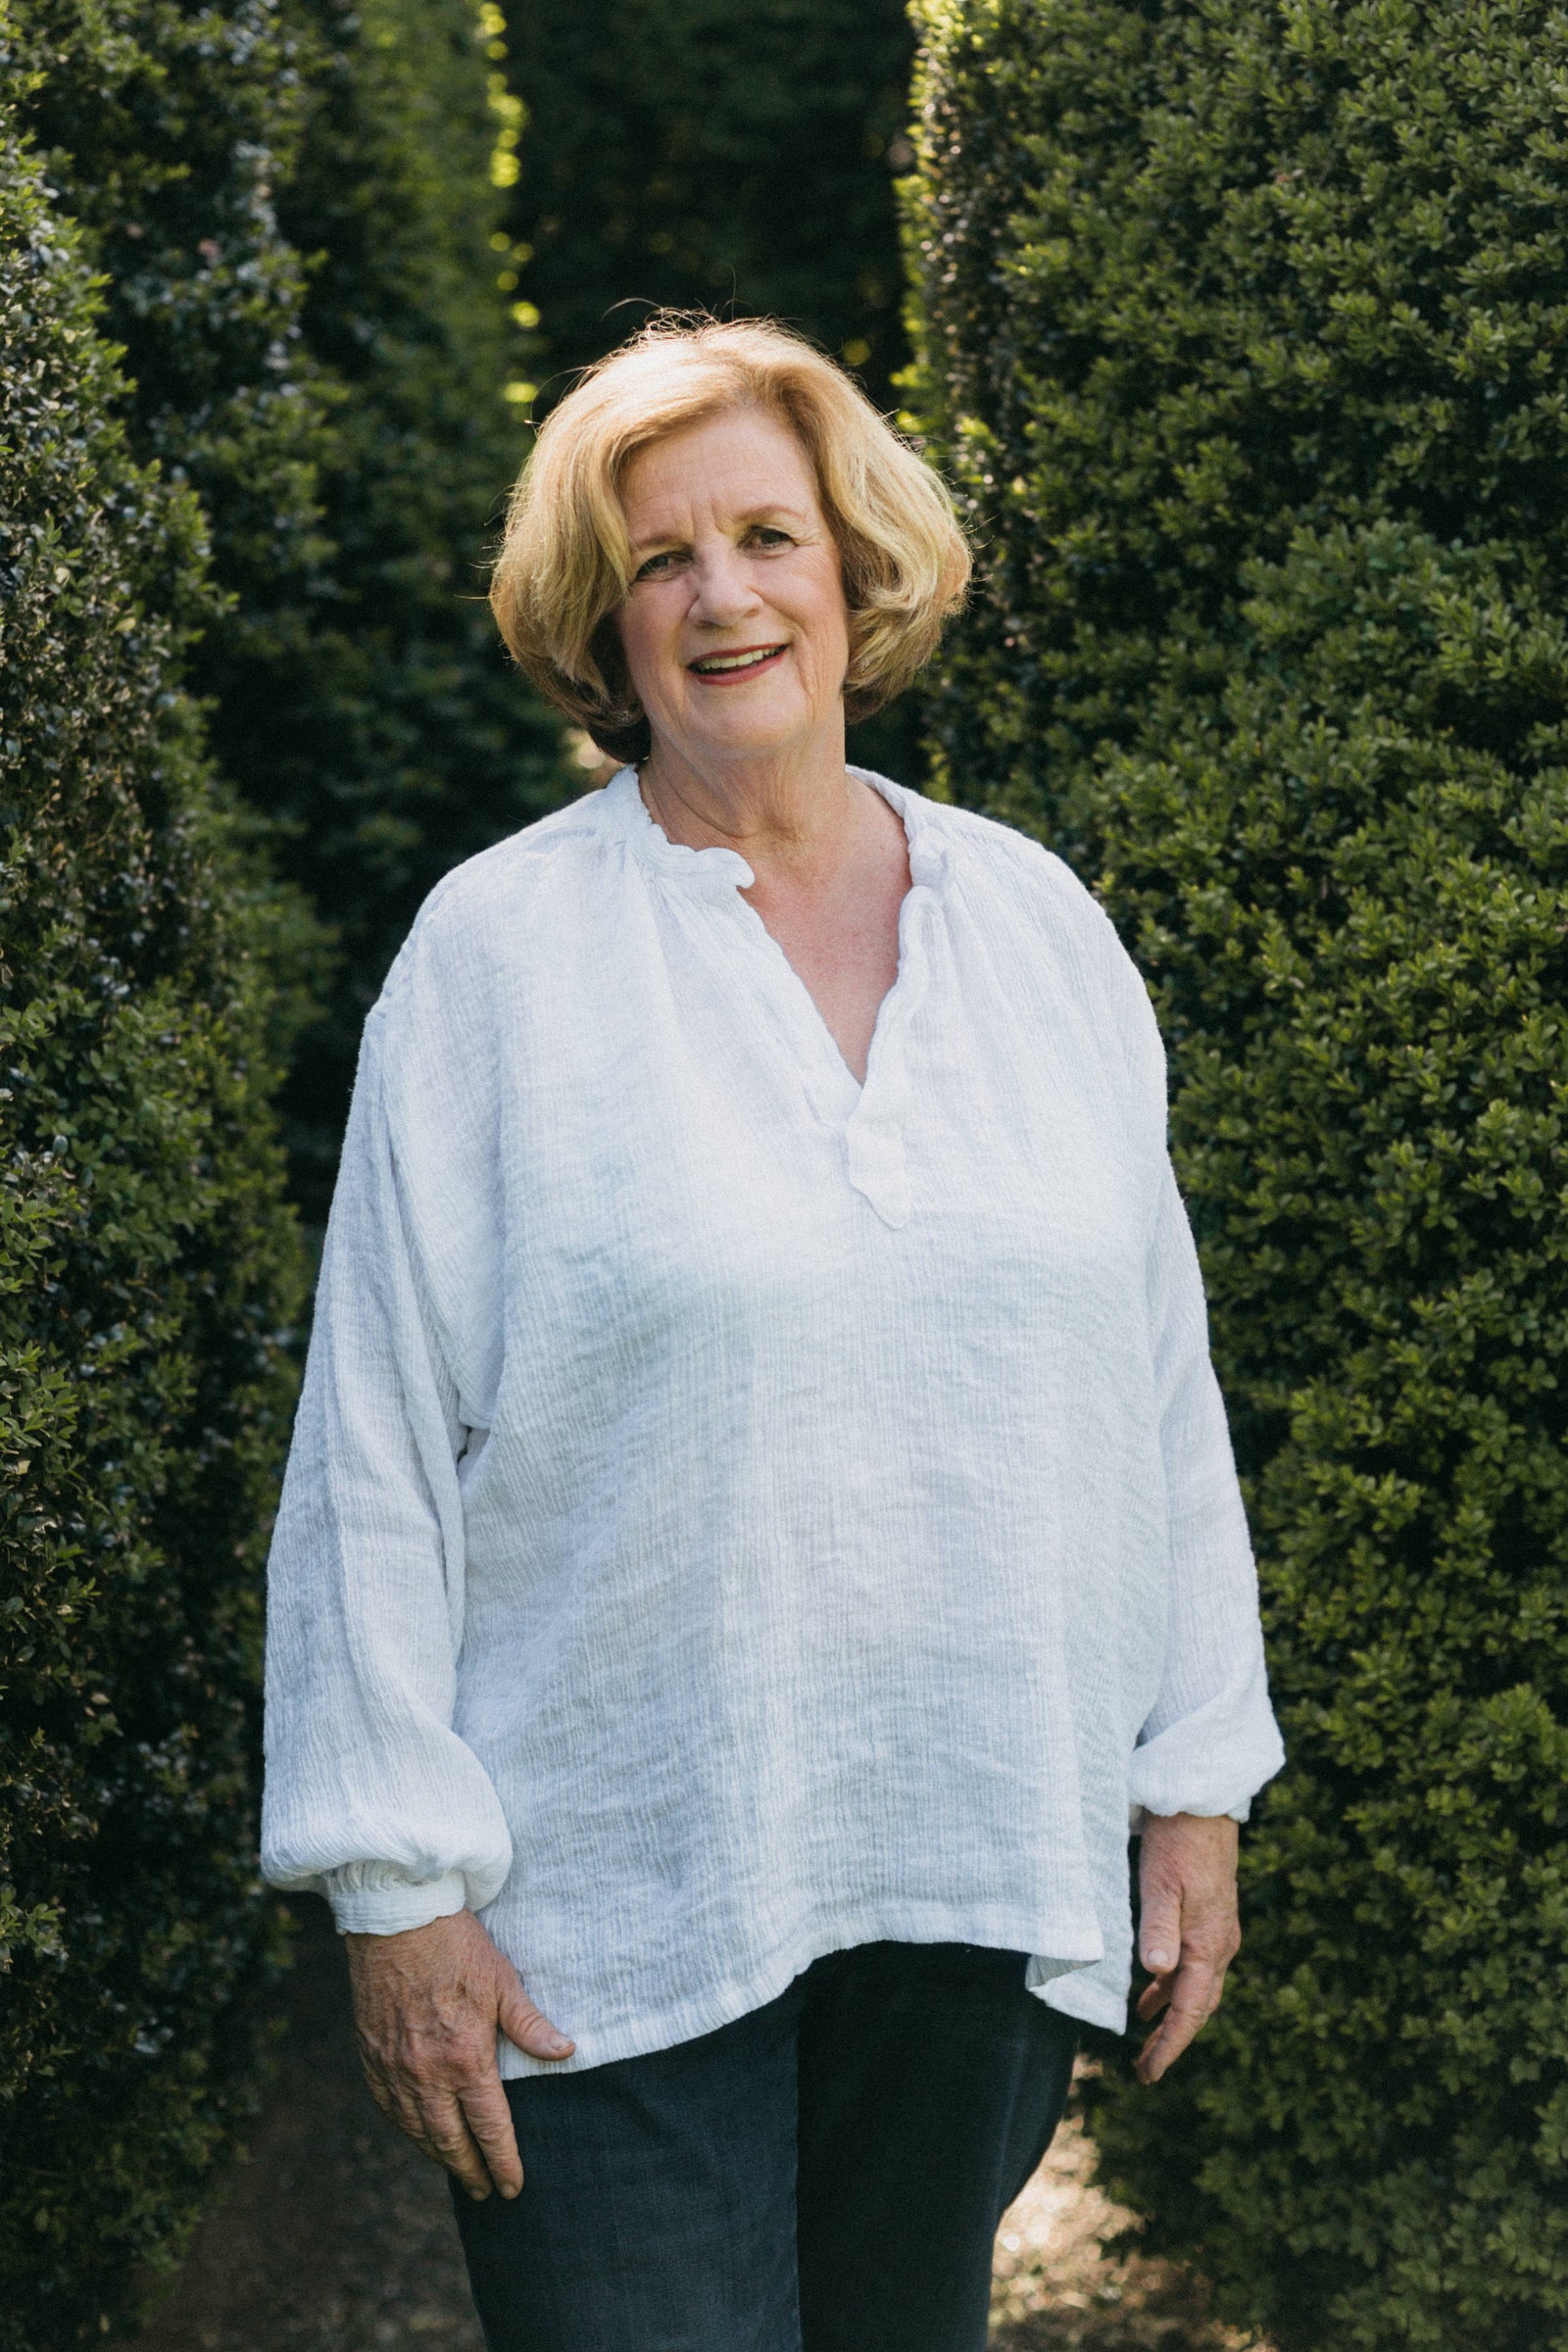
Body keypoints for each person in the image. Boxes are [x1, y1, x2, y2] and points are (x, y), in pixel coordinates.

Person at [261, 315, 1285, 2352]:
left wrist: (1191, 1781)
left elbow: (1148, 1387)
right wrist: (397, 1885)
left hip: (971, 1848)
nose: (723, 596)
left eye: (764, 535)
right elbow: (372, 1438)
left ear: (852, 566)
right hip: (612, 1896)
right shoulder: (497, 962)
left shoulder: (1033, 929)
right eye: (660, 560)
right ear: (600, 622)